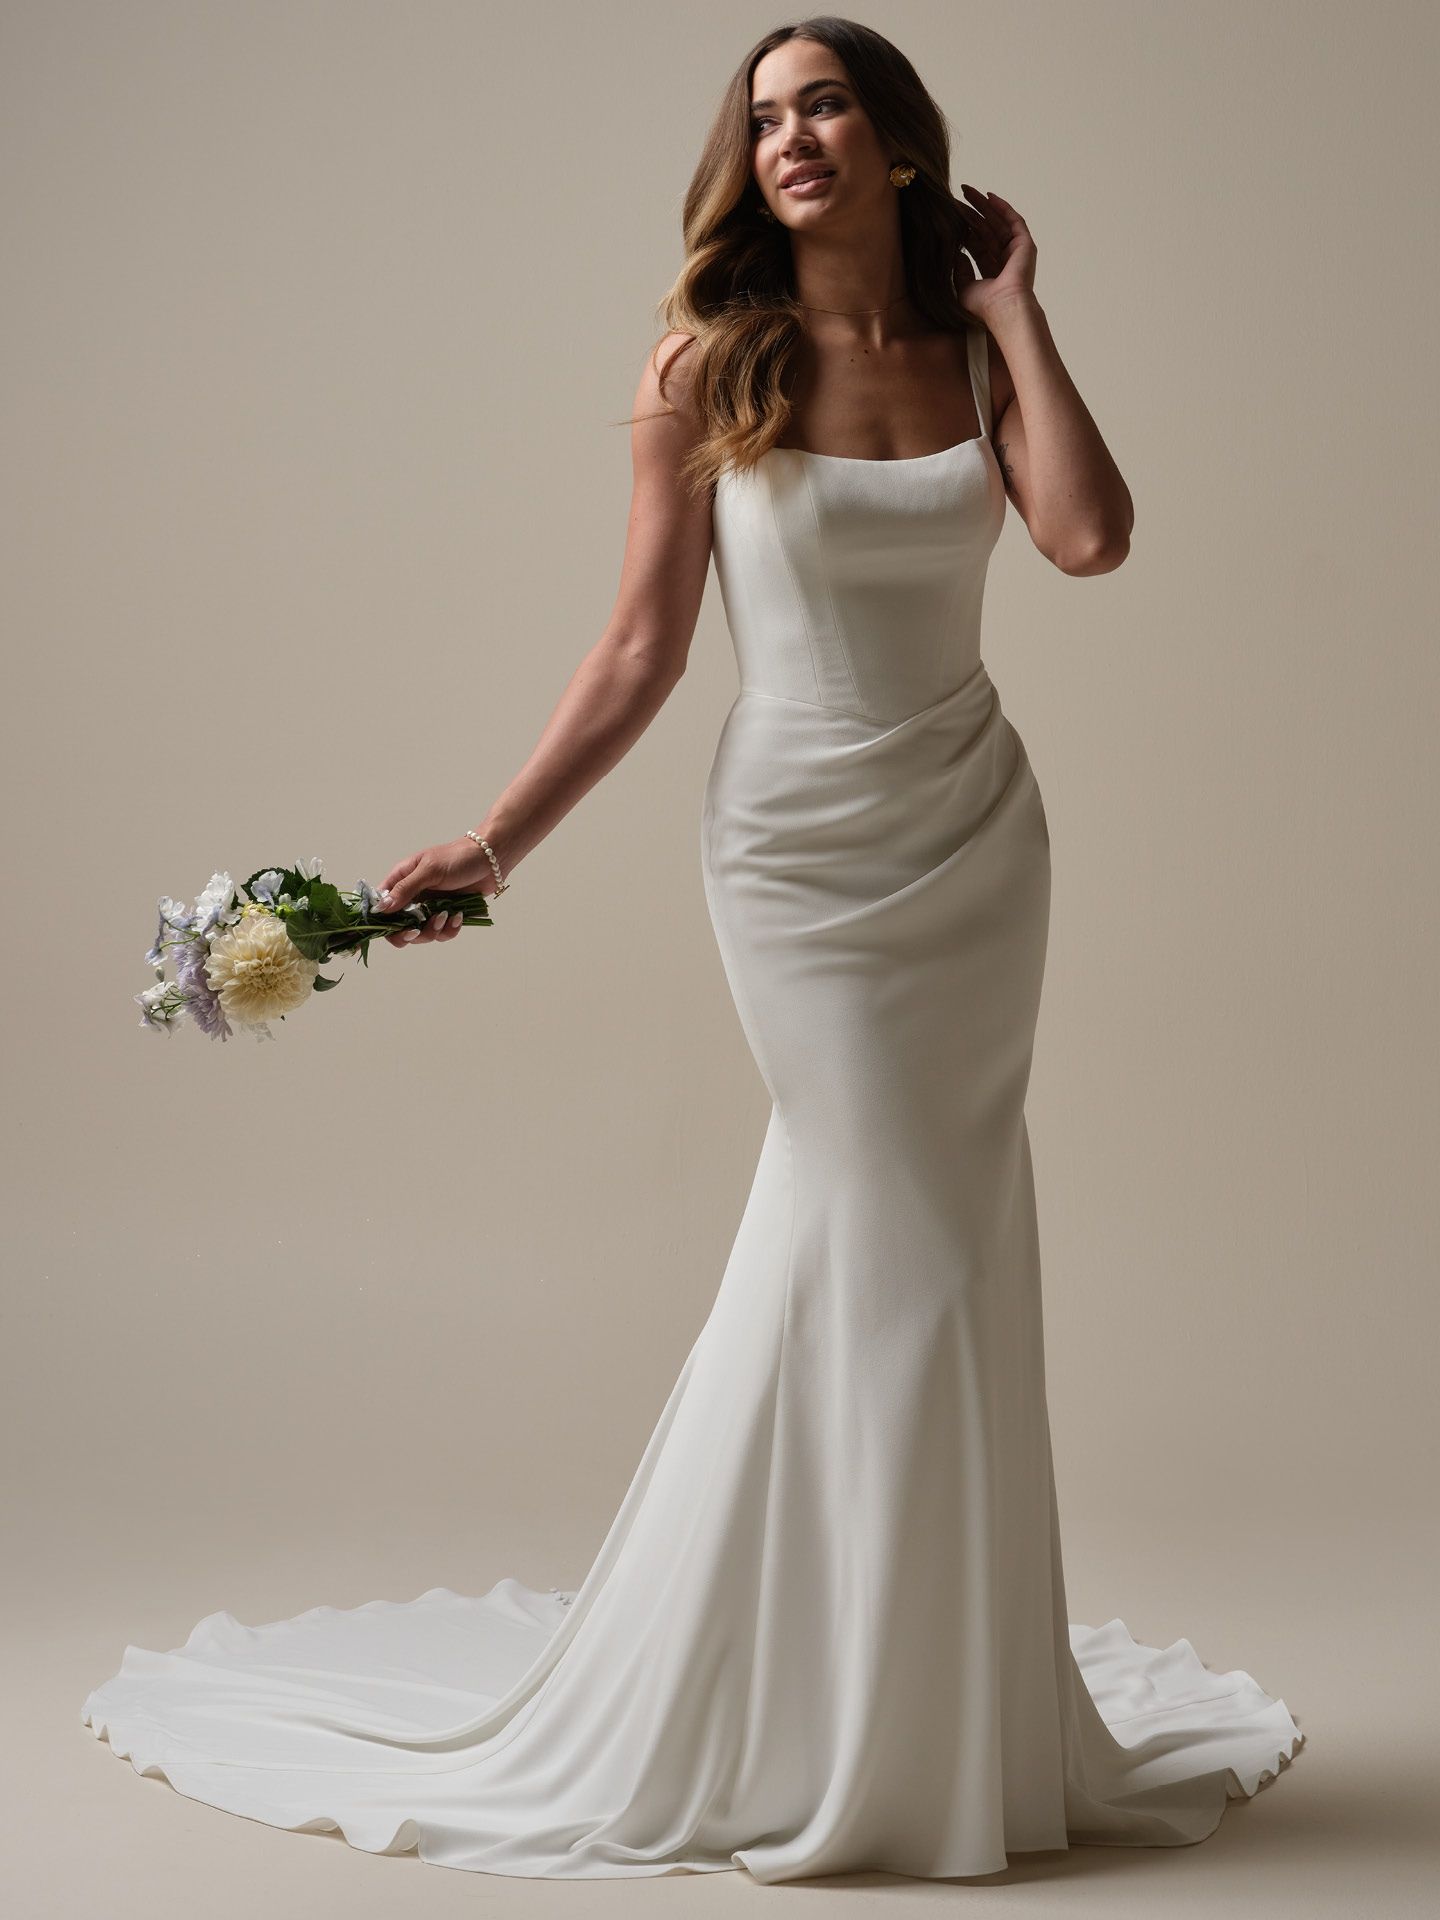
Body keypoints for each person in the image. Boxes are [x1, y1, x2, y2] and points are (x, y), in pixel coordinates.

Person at [81, 17, 1304, 1883]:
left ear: (898, 142)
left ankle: (922, 1710)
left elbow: (1091, 537)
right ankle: (844, 1717)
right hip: (796, 853)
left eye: (823, 105)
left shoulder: (979, 357)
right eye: (764, 116)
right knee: (879, 1217)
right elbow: (644, 650)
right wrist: (498, 838)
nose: (791, 137)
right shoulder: (706, 364)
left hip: (974, 833)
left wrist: (1024, 310)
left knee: (943, 1239)